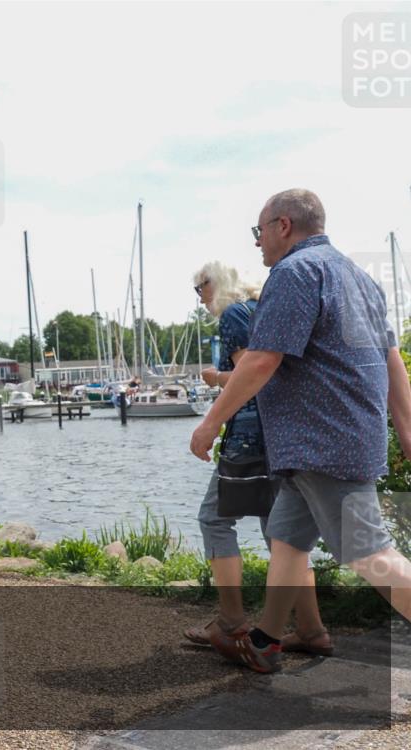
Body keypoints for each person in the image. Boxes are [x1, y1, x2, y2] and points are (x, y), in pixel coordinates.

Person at [190, 188, 411, 673]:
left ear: (283, 226)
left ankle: (268, 639)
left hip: (322, 443)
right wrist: (407, 430)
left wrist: (210, 422)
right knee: (288, 540)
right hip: (327, 442)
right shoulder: (358, 277)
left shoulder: (293, 273)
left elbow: (262, 360)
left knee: (371, 553)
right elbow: (393, 362)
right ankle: (266, 643)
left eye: (259, 232)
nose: (257, 244)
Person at [184, 262, 330, 655]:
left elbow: (254, 374)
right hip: (283, 434)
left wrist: (214, 378)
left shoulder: (233, 314)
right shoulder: (261, 308)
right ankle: (312, 631)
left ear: (214, 284)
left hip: (250, 436)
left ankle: (231, 622)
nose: (199, 298)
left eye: (199, 288)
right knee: (284, 536)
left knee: (214, 519)